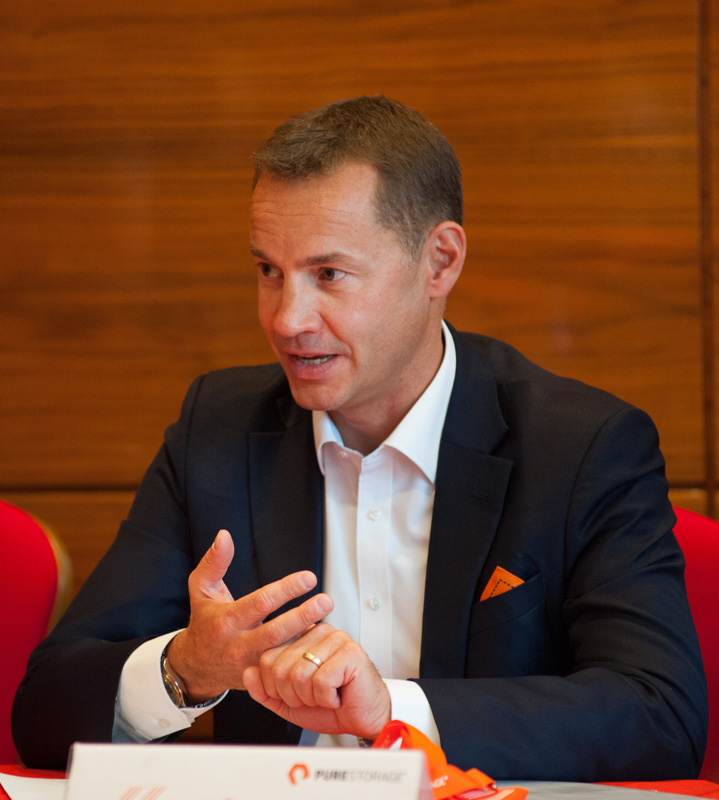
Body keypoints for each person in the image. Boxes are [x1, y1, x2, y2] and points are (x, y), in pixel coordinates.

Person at [13, 95, 707, 780]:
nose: (287, 320)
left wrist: (396, 713)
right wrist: (184, 670)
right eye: (269, 271)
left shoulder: (580, 447)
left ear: (439, 262)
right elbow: (45, 709)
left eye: (329, 274)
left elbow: (660, 713)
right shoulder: (217, 430)